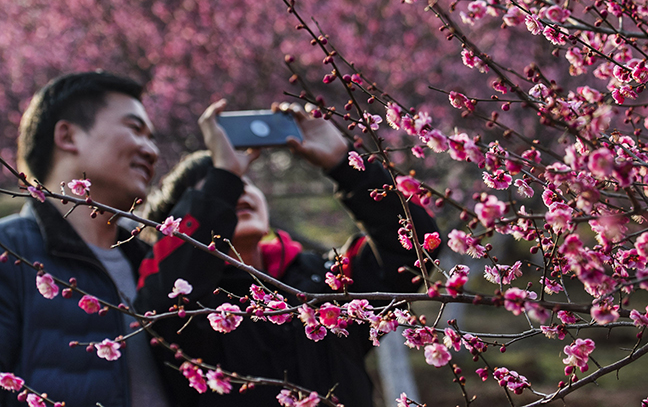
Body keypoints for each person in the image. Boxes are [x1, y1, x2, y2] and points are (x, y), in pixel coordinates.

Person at [134, 100, 439, 407]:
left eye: (243, 181)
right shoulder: (189, 306)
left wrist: (343, 163)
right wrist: (223, 176)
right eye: (219, 188)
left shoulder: (324, 282)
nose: (237, 191)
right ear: (179, 222)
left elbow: (418, 247)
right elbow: (166, 301)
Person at [0, 72, 170, 407]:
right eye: (136, 129)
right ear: (68, 135)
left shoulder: (155, 263)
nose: (151, 150)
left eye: (152, 137)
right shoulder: (8, 252)